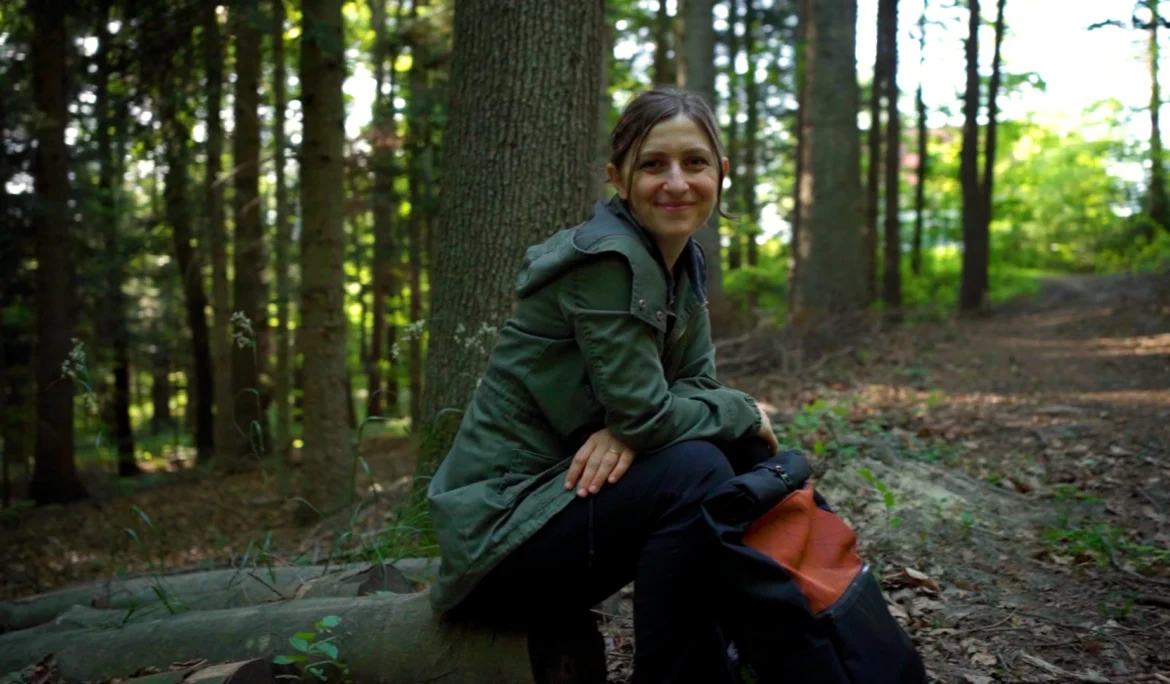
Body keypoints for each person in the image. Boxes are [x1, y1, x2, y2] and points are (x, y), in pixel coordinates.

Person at [426, 87, 779, 684]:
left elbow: (689, 388)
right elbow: (655, 414)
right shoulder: (608, 261)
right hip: (500, 540)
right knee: (697, 468)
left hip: (557, 508)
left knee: (736, 454)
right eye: (652, 165)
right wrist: (739, 409)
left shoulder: (678, 260)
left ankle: (741, 655)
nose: (675, 182)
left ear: (720, 173)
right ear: (617, 178)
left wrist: (643, 427)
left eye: (694, 163)